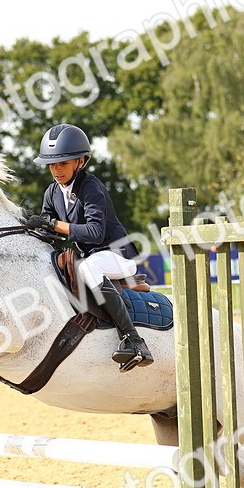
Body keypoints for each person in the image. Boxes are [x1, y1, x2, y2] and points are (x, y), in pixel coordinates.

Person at [24, 123, 153, 372]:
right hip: (91, 257)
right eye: (52, 165)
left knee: (88, 268)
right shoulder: (52, 192)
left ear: (80, 162)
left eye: (63, 163)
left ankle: (134, 340)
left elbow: (95, 233)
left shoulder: (91, 188)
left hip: (116, 254)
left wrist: (53, 224)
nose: (56, 170)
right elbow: (51, 232)